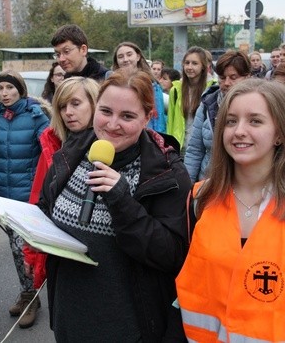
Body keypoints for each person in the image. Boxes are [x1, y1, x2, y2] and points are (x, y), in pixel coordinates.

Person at [175, 78, 285, 342]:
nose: (239, 131)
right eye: (231, 121)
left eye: (255, 121)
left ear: (280, 134)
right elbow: (185, 292)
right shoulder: (201, 198)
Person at [37, 68, 191, 342]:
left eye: (128, 116)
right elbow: (46, 207)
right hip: (69, 315)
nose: (112, 124)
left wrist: (122, 200)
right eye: (105, 111)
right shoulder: (72, 152)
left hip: (128, 324)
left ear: (147, 118)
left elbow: (172, 255)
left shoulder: (167, 173)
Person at [0, 70, 50, 328]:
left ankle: (31, 296)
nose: (4, 93)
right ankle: (30, 292)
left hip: (29, 199)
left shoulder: (36, 115)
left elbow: (49, 155)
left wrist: (44, 194)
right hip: (4, 199)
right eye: (0, 88)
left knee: (22, 249)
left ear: (21, 90)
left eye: (9, 88)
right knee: (17, 251)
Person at [24, 76, 100, 295]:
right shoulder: (53, 143)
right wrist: (32, 253)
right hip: (59, 254)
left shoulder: (109, 147)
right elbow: (38, 202)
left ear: (95, 104)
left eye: (75, 104)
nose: (68, 112)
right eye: (62, 106)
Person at [184, 50, 251, 182]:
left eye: (233, 77)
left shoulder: (261, 105)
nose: (226, 83)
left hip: (246, 184)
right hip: (210, 182)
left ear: (247, 77)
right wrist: (187, 187)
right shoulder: (208, 105)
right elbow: (195, 150)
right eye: (222, 77)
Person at [111, 41, 166, 133]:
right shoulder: (112, 85)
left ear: (138, 56)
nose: (125, 59)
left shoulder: (152, 85)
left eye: (129, 55)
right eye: (120, 57)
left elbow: (158, 118)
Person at [167, 46, 215, 151]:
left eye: (194, 63)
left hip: (204, 150)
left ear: (204, 66)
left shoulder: (213, 90)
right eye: (187, 63)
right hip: (180, 150)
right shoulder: (175, 90)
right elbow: (170, 124)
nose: (189, 67)